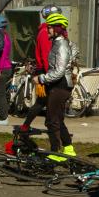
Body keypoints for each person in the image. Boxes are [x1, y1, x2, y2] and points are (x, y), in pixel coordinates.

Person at [33, 11, 77, 155]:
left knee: (51, 120)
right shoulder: (57, 43)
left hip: (61, 85)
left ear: (58, 28)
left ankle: (55, 152)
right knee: (57, 118)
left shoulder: (62, 45)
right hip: (57, 85)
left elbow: (59, 71)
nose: (48, 30)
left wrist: (41, 78)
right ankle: (69, 150)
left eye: (50, 27)